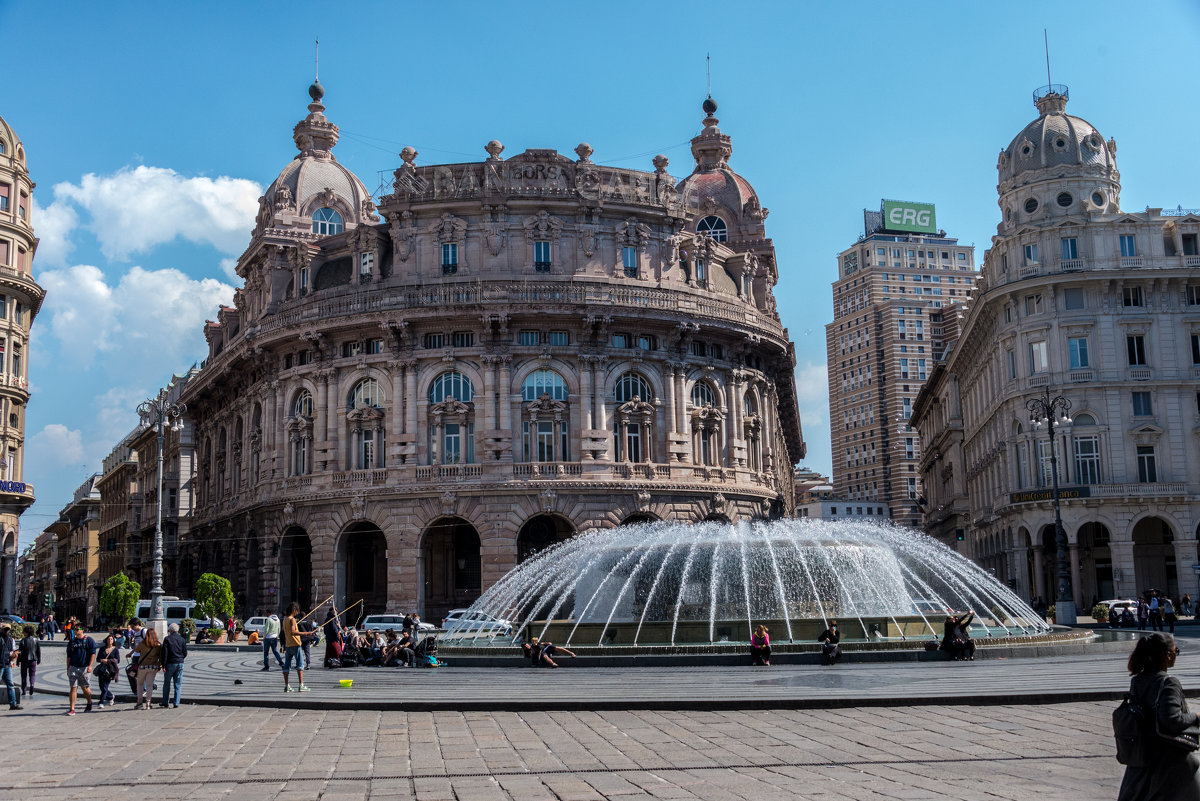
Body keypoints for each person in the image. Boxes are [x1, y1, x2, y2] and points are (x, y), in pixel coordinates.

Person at [1117, 633, 1200, 800]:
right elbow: (1171, 719)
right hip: (1170, 760)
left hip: (1144, 755)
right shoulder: (1169, 682)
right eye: (1176, 650)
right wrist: (1197, 717)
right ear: (1166, 654)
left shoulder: (1137, 680)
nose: (1176, 654)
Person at [65, 626, 96, 715]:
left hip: (84, 667)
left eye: (77, 629)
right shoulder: (72, 642)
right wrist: (68, 668)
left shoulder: (89, 640)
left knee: (85, 687)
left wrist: (90, 666)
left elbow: (93, 654)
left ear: (82, 630)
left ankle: (89, 702)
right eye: (74, 629)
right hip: (73, 667)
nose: (76, 631)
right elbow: (68, 656)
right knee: (73, 688)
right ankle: (72, 709)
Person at [133, 628, 163, 710]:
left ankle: (139, 702)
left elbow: (137, 650)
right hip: (153, 666)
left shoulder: (142, 643)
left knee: (140, 684)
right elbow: (160, 656)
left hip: (142, 666)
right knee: (150, 685)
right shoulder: (158, 645)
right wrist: (160, 665)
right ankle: (148, 703)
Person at [281, 603, 308, 692]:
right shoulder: (292, 619)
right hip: (295, 644)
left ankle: (287, 686)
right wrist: (306, 633)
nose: (297, 612)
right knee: (300, 665)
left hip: (288, 645)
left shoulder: (285, 619)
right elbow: (293, 632)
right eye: (297, 610)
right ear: (294, 610)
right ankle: (301, 685)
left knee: (286, 666)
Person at [161, 622, 188, 709]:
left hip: (170, 663)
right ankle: (176, 702)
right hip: (180, 662)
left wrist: (163, 665)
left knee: (167, 684)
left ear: (171, 630)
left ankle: (165, 702)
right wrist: (181, 658)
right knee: (178, 684)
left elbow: (164, 653)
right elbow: (185, 652)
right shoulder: (182, 639)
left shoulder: (167, 639)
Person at [95, 634, 121, 708]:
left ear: (113, 641)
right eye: (108, 639)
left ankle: (101, 702)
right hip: (102, 669)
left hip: (110, 670)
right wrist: (101, 660)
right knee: (101, 686)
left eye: (111, 639)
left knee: (104, 687)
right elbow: (97, 659)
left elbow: (117, 660)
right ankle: (110, 696)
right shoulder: (102, 649)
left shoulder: (115, 650)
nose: (110, 640)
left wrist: (108, 660)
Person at [16, 624, 40, 697]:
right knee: (32, 674)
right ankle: (32, 685)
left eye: (24, 632)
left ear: (26, 632)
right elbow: (38, 650)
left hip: (24, 660)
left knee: (24, 675)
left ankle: (24, 690)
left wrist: (18, 661)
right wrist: (38, 659)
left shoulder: (23, 641)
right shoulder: (36, 640)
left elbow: (20, 652)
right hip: (33, 659)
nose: (23, 633)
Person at [0, 625, 19, 710]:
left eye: (7, 630)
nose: (6, 631)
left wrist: (13, 659)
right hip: (1, 664)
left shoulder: (11, 639)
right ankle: (13, 703)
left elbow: (13, 651)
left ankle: (13, 704)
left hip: (7, 664)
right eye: (5, 629)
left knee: (10, 684)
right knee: (10, 684)